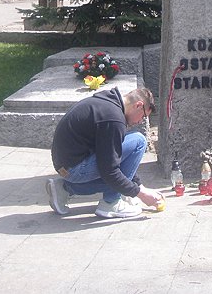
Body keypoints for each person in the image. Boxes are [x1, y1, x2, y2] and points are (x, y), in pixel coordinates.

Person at [46, 87, 164, 218]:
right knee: (139, 141)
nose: (140, 121)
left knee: (131, 143)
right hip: (74, 168)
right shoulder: (114, 119)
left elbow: (115, 154)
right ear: (138, 105)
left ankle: (64, 188)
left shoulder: (109, 103)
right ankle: (111, 203)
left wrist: (139, 186)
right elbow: (109, 171)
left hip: (65, 165)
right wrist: (140, 194)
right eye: (143, 116)